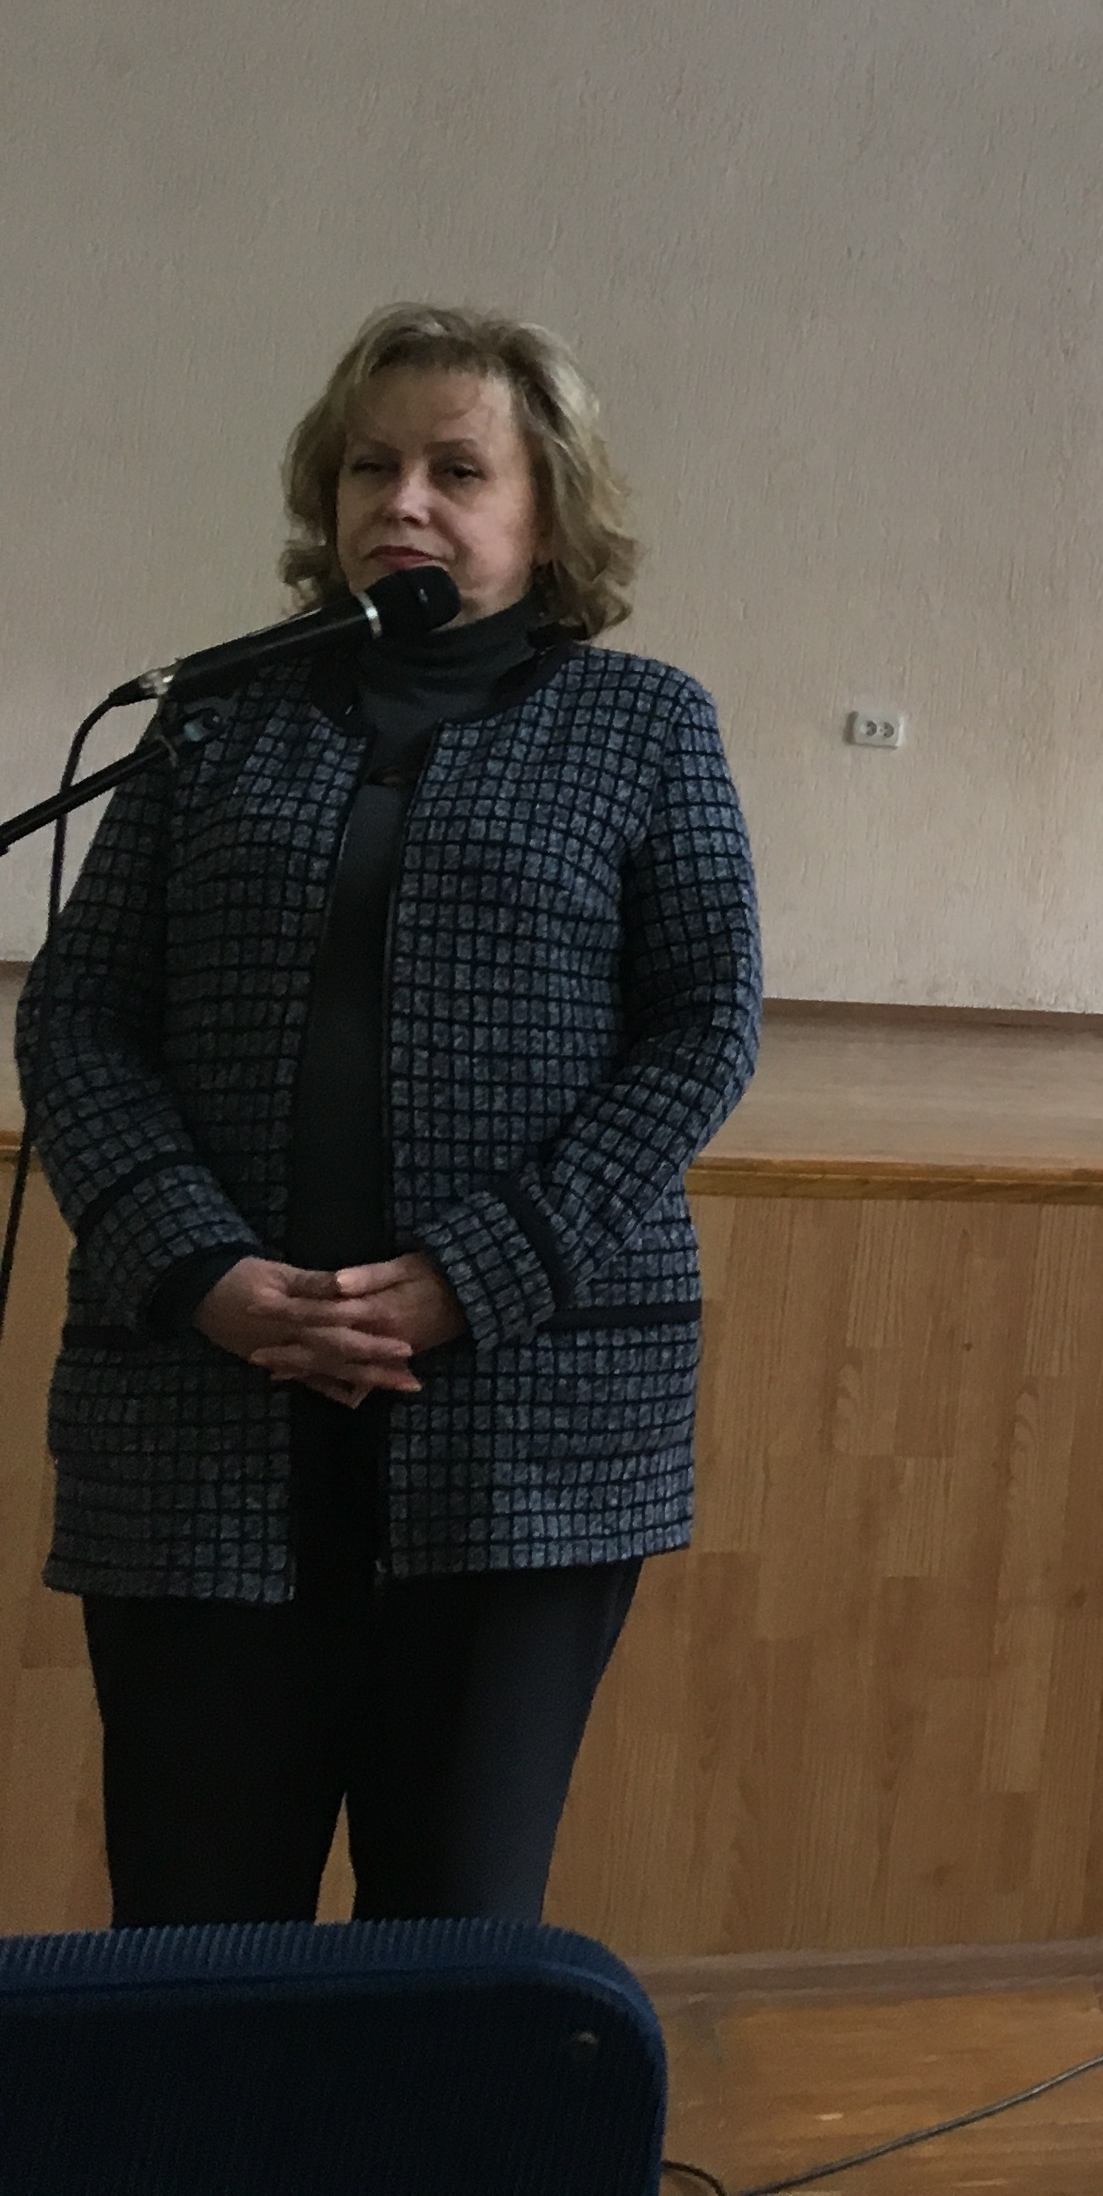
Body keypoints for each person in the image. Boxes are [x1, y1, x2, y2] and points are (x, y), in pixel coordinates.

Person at [17, 302, 761, 1924]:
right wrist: (204, 1272)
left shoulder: (646, 725)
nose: (402, 500)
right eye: (370, 466)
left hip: (524, 1425)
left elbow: (705, 1027)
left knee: (452, 1932)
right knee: (194, 1926)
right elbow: (77, 1016)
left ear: (546, 512)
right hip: (204, 1415)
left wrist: (472, 1275)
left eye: (455, 469)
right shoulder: (210, 720)